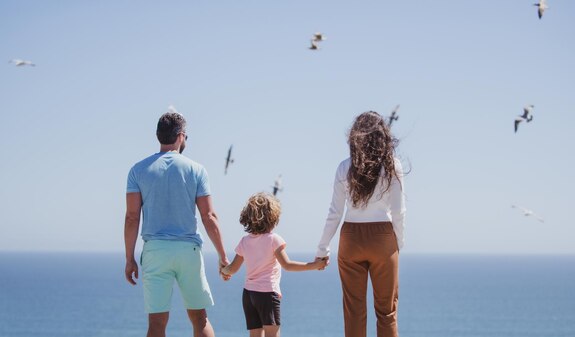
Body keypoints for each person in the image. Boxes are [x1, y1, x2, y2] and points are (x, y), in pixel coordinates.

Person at [124, 110, 229, 337]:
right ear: (181, 136)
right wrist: (223, 256)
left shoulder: (137, 170)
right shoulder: (197, 170)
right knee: (199, 318)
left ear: (158, 135)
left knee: (157, 323)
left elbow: (132, 217)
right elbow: (209, 217)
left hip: (155, 251)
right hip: (188, 251)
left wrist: (129, 258)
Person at [316, 111, 406, 337]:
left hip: (351, 238)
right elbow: (398, 212)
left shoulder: (344, 167)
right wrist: (398, 243)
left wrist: (322, 248)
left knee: (353, 311)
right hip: (383, 238)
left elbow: (335, 213)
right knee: (386, 312)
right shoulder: (393, 166)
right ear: (382, 136)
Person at [221, 192, 328, 337]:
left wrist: (224, 271)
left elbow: (232, 269)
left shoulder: (245, 241)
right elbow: (287, 265)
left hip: (248, 294)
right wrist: (314, 265)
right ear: (273, 218)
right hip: (267, 293)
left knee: (255, 334)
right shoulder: (274, 240)